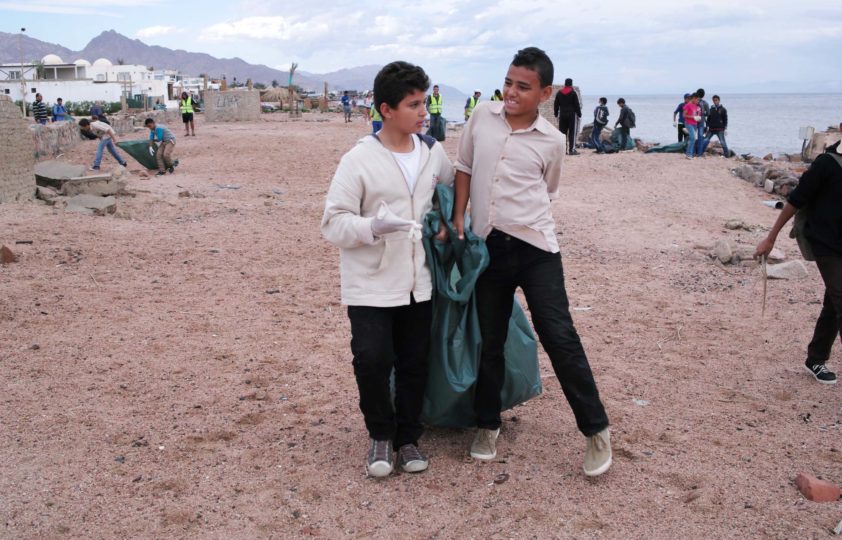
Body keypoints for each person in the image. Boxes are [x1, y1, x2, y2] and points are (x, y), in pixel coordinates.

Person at [452, 46, 612, 477]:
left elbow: (549, 189)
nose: (511, 92)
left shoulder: (553, 140)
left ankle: (596, 430)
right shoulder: (481, 117)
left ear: (545, 94)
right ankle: (487, 424)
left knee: (559, 336)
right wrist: (459, 220)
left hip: (536, 248)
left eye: (523, 87)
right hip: (488, 248)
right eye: (507, 82)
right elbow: (464, 166)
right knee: (489, 340)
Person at [322, 61, 455, 478]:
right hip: (371, 282)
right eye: (414, 104)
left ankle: (408, 438)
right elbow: (333, 222)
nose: (424, 111)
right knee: (372, 359)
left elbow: (449, 197)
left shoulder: (434, 152)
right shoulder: (358, 159)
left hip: (420, 282)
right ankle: (381, 434)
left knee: (416, 361)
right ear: (386, 109)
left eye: (424, 102)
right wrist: (372, 228)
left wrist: (446, 228)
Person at [754, 139, 842, 384]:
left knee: (834, 305)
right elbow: (796, 200)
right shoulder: (826, 164)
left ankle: (815, 358)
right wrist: (771, 238)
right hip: (827, 244)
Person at [553, 78, 581, 155]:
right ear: (571, 84)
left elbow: (556, 104)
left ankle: (563, 150)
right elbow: (576, 105)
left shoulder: (559, 93)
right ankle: (572, 150)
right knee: (572, 133)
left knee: (562, 133)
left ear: (565, 84)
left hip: (562, 115)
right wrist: (579, 114)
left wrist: (556, 113)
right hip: (571, 115)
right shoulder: (573, 93)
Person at [682, 93, 701, 159]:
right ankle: (688, 154)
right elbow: (684, 115)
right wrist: (693, 117)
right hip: (688, 123)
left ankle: (690, 153)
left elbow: (697, 115)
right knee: (693, 138)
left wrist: (698, 118)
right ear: (694, 98)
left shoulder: (696, 106)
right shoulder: (688, 105)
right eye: (697, 99)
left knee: (692, 139)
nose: (698, 101)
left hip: (695, 124)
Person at [695, 88, 710, 156]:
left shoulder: (694, 101)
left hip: (693, 121)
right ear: (703, 95)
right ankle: (699, 153)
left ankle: (691, 151)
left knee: (691, 137)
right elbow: (708, 113)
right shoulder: (705, 103)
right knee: (700, 137)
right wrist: (703, 114)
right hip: (701, 122)